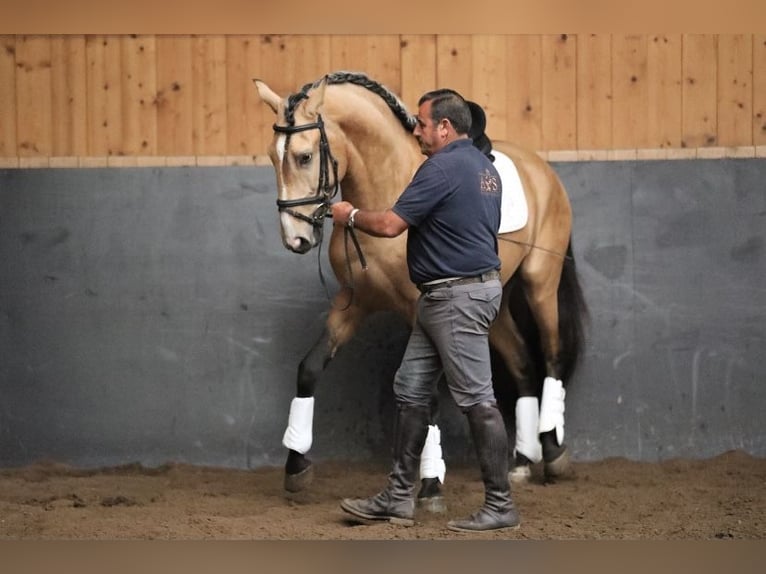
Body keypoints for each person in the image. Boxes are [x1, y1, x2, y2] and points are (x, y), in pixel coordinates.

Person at [331, 89, 519, 532]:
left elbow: (392, 225)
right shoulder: (483, 168)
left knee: (477, 401)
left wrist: (349, 214)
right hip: (443, 297)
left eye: (421, 123)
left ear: (445, 128)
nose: (416, 130)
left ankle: (500, 504)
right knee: (411, 389)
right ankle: (398, 497)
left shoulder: (440, 168)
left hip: (455, 298)